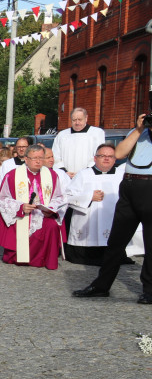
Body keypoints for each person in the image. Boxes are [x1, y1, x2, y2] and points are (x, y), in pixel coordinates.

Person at [74, 113, 152, 303]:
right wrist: (140, 129)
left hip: (149, 187)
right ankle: (101, 286)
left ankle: (149, 290)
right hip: (129, 187)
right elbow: (119, 154)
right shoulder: (139, 132)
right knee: (116, 241)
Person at [63, 143, 139, 265]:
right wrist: (89, 197)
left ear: (115, 159)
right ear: (95, 158)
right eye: (102, 156)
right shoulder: (83, 174)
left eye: (110, 156)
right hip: (88, 223)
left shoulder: (122, 175)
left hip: (115, 218)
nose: (106, 158)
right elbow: (67, 197)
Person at [0, 144, 66, 269]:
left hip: (43, 215)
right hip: (21, 215)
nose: (38, 161)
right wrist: (20, 207)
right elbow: (3, 199)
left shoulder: (52, 176)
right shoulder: (12, 175)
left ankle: (46, 259)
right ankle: (20, 257)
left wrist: (51, 209)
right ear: (26, 159)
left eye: (41, 158)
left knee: (52, 225)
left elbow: (59, 197)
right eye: (34, 158)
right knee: (21, 224)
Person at [53, 107, 106, 177]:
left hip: (89, 175)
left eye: (80, 119)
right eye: (74, 120)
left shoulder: (96, 133)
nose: (77, 123)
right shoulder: (62, 135)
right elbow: (56, 156)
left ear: (86, 118)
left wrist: (84, 173)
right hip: (66, 176)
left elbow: (98, 155)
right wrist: (64, 172)